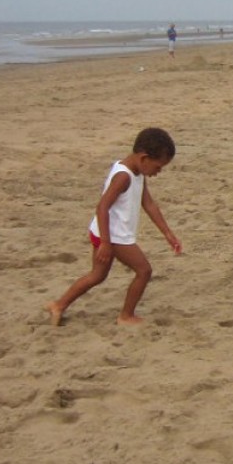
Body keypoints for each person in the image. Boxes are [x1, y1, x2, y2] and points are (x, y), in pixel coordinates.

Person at [46, 127, 182, 326]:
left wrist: (168, 233)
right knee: (144, 271)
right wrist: (106, 243)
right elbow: (102, 206)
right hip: (112, 236)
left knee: (97, 275)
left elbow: (149, 204)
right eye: (158, 167)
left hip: (106, 233)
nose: (158, 172)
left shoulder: (137, 172)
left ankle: (58, 305)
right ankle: (126, 316)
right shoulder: (124, 176)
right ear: (144, 158)